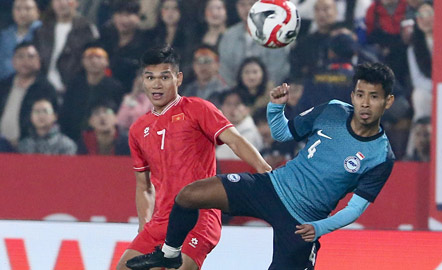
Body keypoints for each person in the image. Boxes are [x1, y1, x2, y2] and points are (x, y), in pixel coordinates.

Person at [126, 62, 396, 270]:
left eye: (373, 97)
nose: (365, 102)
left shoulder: (381, 156)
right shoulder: (334, 110)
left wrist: (319, 228)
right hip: (271, 186)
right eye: (360, 94)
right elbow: (283, 133)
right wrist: (276, 109)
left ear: (388, 101)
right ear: (352, 94)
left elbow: (355, 209)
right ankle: (170, 254)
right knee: (187, 196)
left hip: (303, 221)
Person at [116, 46, 271, 270]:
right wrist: (144, 225)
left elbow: (235, 141)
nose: (156, 84)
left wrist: (266, 172)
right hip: (162, 220)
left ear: (178, 78)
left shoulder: (198, 109)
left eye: (164, 77)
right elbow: (144, 186)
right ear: (143, 81)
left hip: (200, 214)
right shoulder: (138, 129)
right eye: (150, 77)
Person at [59, 44, 125, 141]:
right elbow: (66, 112)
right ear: (83, 62)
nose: (94, 61)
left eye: (98, 57)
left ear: (106, 62)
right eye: (89, 57)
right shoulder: (75, 85)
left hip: (103, 137)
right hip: (73, 136)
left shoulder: (115, 87)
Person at [33, 0, 99, 96]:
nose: (62, 3)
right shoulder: (42, 30)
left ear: (76, 3)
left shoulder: (87, 29)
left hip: (74, 90)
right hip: (43, 88)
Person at [218, 0, 290, 87]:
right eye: (242, 5)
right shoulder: (229, 35)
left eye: (251, 4)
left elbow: (278, 69)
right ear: (237, 7)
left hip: (269, 92)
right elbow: (225, 69)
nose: (247, 9)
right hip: (236, 92)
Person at [0, 42, 57, 147]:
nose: (25, 61)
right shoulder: (3, 85)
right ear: (13, 61)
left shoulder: (46, 89)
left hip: (29, 147)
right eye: (20, 56)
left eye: (31, 57)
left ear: (39, 61)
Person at [0, 0, 42, 81]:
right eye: (18, 9)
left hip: (35, 84)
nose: (22, 13)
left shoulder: (45, 33)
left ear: (37, 12)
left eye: (28, 8)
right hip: (5, 85)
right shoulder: (4, 35)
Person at [215, 90, 263, 160]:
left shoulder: (250, 134)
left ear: (247, 109)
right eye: (228, 104)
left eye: (237, 104)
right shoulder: (219, 131)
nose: (232, 108)